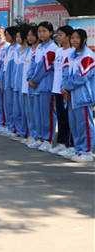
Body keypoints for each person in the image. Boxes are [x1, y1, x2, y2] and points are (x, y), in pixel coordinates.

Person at [60, 29, 94, 162]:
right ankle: (78, 148)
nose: (74, 40)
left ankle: (87, 151)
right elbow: (65, 73)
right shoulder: (72, 55)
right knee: (75, 125)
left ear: (84, 39)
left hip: (83, 96)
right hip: (71, 96)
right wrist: (64, 89)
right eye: (72, 38)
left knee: (84, 124)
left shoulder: (88, 56)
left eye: (77, 38)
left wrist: (67, 87)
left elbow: (82, 77)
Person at [27, 21, 58, 152]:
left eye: (44, 31)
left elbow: (45, 68)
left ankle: (48, 139)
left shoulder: (53, 48)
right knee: (38, 113)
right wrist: (29, 78)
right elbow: (33, 64)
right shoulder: (39, 47)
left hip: (46, 85)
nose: (41, 34)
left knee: (47, 114)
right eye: (39, 31)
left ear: (51, 33)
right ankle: (40, 137)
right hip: (36, 86)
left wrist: (34, 80)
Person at [49, 25, 74, 155]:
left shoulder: (72, 53)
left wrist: (67, 89)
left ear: (68, 37)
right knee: (60, 117)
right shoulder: (58, 51)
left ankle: (70, 144)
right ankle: (62, 142)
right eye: (57, 35)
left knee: (68, 117)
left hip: (65, 90)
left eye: (61, 35)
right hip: (56, 88)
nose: (58, 37)